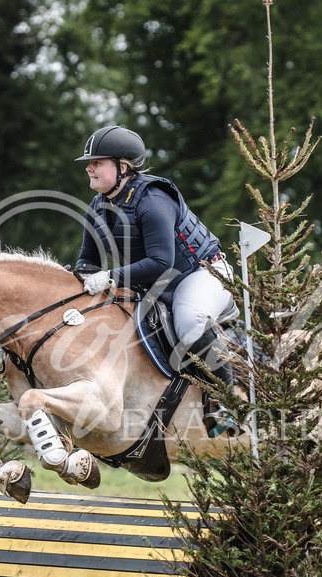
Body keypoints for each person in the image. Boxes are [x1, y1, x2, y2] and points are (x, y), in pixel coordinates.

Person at [73, 125, 240, 437]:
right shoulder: (98, 206)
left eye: (97, 161)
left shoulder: (152, 199)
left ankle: (224, 405)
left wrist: (109, 277)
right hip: (153, 284)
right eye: (90, 162)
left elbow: (161, 263)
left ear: (123, 167)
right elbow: (86, 264)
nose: (89, 167)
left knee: (189, 320)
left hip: (201, 274)